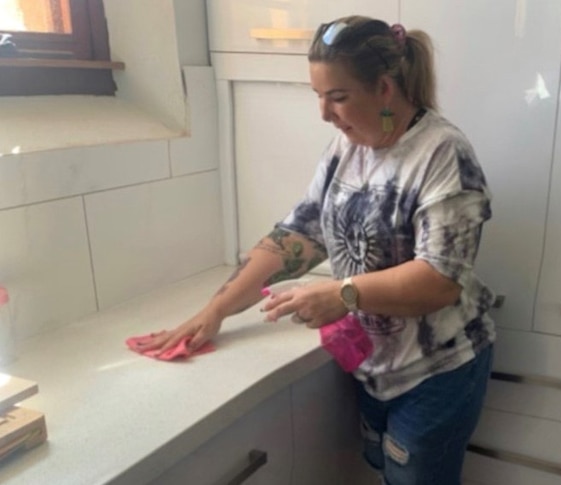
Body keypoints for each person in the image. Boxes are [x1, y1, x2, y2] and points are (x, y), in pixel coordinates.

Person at [140, 15, 495, 485]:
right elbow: (300, 234)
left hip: (436, 372)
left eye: (339, 97)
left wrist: (342, 294)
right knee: (383, 469)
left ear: (385, 88)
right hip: (372, 365)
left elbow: (439, 281)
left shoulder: (443, 154)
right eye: (318, 96)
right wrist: (218, 309)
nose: (324, 113)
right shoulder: (345, 148)